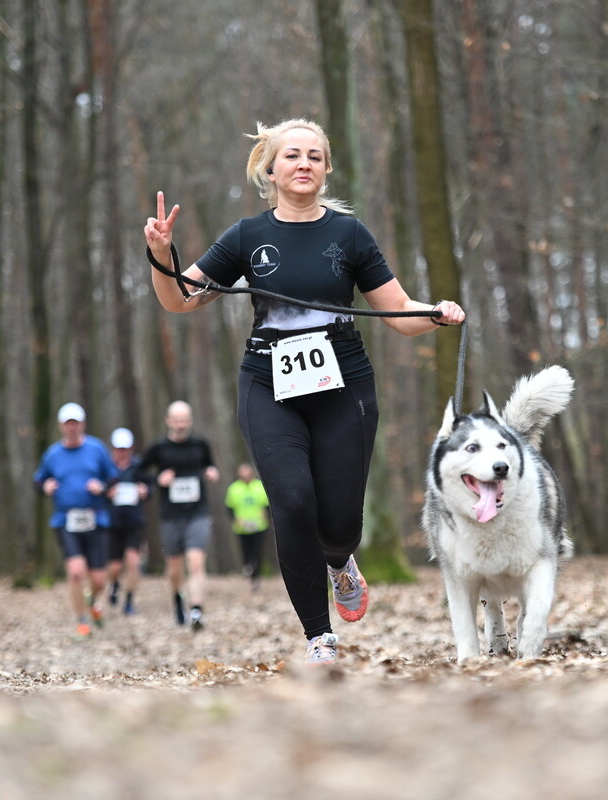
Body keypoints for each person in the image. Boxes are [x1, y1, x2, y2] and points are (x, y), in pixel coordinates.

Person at [143, 118, 466, 665]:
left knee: (339, 521)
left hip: (344, 382)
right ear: (270, 169)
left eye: (315, 156)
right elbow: (178, 300)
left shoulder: (349, 235)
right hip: (268, 381)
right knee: (292, 502)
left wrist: (436, 313)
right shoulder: (247, 237)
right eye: (292, 155)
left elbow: (398, 312)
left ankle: (341, 561)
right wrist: (163, 253)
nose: (304, 164)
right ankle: (320, 638)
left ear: (327, 168)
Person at [33, 402, 118, 639]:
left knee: (99, 579)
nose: (72, 428)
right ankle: (82, 622)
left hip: (96, 519)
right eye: (68, 424)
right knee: (75, 572)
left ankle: (92, 600)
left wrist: (100, 487)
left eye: (76, 423)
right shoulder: (52, 454)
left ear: (83, 424)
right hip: (65, 520)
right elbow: (38, 482)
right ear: (61, 426)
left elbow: (113, 479)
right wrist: (46, 486)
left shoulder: (96, 449)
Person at [138, 400, 220, 631]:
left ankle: (197, 610)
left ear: (190, 421)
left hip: (198, 513)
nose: (181, 425)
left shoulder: (200, 445)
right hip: (170, 516)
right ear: (168, 421)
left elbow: (210, 466)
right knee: (174, 569)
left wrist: (211, 472)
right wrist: (158, 480)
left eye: (185, 420)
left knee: (195, 562)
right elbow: (139, 472)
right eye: (177, 420)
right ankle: (177, 598)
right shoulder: (159, 449)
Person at [104, 427, 150, 615]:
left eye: (125, 449)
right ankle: (114, 584)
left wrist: (144, 491)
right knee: (114, 566)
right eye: (118, 449)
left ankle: (130, 600)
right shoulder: (106, 467)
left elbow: (150, 486)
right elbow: (97, 489)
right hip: (112, 523)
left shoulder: (139, 466)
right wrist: (107, 492)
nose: (122, 453)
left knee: (133, 562)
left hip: (134, 522)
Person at [225, 463, 270, 588]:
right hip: (242, 527)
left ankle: (256, 576)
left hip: (259, 525)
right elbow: (229, 507)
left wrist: (266, 514)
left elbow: (268, 505)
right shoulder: (233, 488)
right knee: (246, 551)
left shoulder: (259, 486)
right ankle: (248, 568)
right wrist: (235, 519)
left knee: (258, 551)